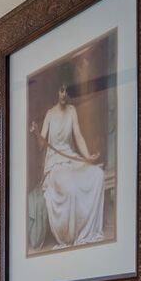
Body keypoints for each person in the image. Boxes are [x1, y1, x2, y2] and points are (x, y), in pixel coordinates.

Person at [31, 79, 108, 248]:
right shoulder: (50, 114)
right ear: (57, 92)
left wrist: (87, 157)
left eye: (67, 90)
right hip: (55, 164)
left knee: (97, 174)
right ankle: (70, 235)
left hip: (71, 158)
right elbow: (41, 145)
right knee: (71, 189)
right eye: (61, 90)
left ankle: (87, 231)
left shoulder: (72, 111)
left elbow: (78, 135)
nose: (64, 94)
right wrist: (36, 133)